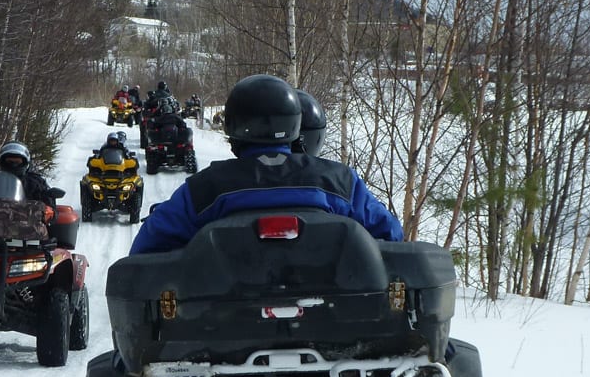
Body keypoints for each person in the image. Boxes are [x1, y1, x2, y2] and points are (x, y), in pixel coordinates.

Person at [129, 74, 402, 255]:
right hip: (334, 325)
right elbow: (391, 236)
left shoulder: (205, 188)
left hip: (219, 329)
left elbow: (145, 250)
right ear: (296, 124)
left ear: (233, 128)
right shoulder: (340, 181)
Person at [0, 141, 56, 209]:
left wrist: (49, 203)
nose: (13, 165)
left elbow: (51, 211)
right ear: (2, 162)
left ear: (25, 163)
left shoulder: (36, 183)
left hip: (28, 219)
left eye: (17, 162)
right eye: (9, 162)